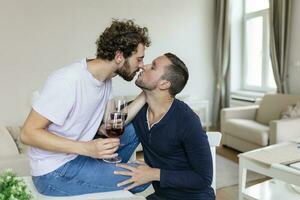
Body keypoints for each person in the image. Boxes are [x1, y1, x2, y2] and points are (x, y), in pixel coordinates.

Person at [20, 19, 151, 196]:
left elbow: (109, 121)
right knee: (142, 176)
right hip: (54, 172)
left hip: (79, 156)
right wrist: (87, 148)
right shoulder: (68, 80)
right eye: (139, 59)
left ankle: (107, 171)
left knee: (135, 128)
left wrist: (145, 94)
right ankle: (109, 172)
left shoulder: (106, 80)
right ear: (119, 56)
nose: (142, 65)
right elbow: (28, 133)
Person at [114, 53, 215, 200]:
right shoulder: (140, 111)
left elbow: (203, 178)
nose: (144, 65)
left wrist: (153, 174)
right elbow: (113, 125)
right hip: (162, 196)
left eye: (153, 67)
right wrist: (145, 94)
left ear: (164, 84)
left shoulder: (187, 120)